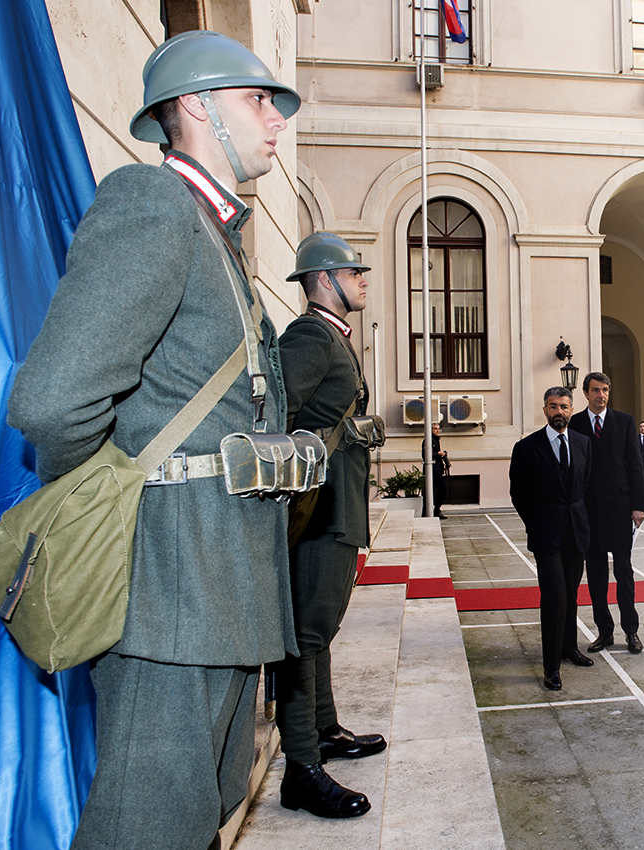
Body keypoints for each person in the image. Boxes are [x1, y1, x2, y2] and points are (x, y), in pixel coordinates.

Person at [6, 31, 300, 848]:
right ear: (198, 106)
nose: (275, 118)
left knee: (195, 817)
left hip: (219, 587)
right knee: (146, 828)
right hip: (171, 595)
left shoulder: (214, 231)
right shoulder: (150, 204)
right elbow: (54, 401)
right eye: (257, 99)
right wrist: (116, 503)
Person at [273, 232, 385, 819]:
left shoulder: (335, 338)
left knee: (321, 626)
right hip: (317, 511)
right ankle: (300, 769)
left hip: (336, 507)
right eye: (353, 271)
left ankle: (324, 729)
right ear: (324, 279)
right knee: (305, 634)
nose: (363, 279)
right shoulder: (311, 336)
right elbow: (278, 418)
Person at [509, 387, 593, 690]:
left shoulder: (583, 444)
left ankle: (569, 648)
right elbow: (519, 494)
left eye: (565, 407)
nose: (560, 412)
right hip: (546, 535)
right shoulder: (527, 448)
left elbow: (583, 485)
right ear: (545, 410)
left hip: (576, 533)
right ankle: (551, 666)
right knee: (555, 595)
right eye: (554, 406)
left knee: (570, 593)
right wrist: (536, 523)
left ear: (572, 409)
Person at [569, 372, 644, 654]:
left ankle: (631, 630)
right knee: (597, 575)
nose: (601, 395)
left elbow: (635, 464)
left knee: (624, 572)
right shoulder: (575, 423)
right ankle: (604, 631)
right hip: (588, 511)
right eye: (595, 390)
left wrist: (639, 505)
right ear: (586, 393)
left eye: (605, 390)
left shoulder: (624, 421)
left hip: (619, 508)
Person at [423, 421, 449, 518]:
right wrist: (438, 454)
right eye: (435, 429)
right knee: (439, 489)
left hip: (437, 469)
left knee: (440, 489)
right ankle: (433, 511)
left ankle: (435, 510)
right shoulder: (428, 441)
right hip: (432, 470)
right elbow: (425, 455)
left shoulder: (435, 440)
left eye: (438, 429)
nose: (437, 430)